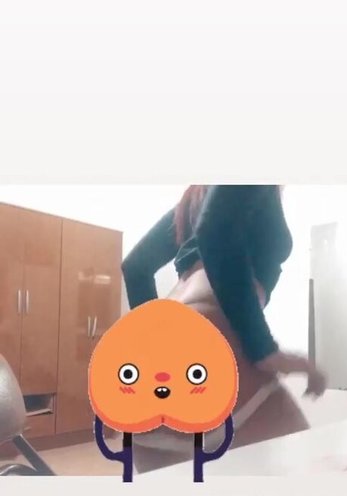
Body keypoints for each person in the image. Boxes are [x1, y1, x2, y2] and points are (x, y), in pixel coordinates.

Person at [121, 185, 327, 472]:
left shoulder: (194, 199)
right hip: (210, 354)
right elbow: (214, 229)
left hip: (145, 374)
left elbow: (135, 268)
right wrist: (263, 349)